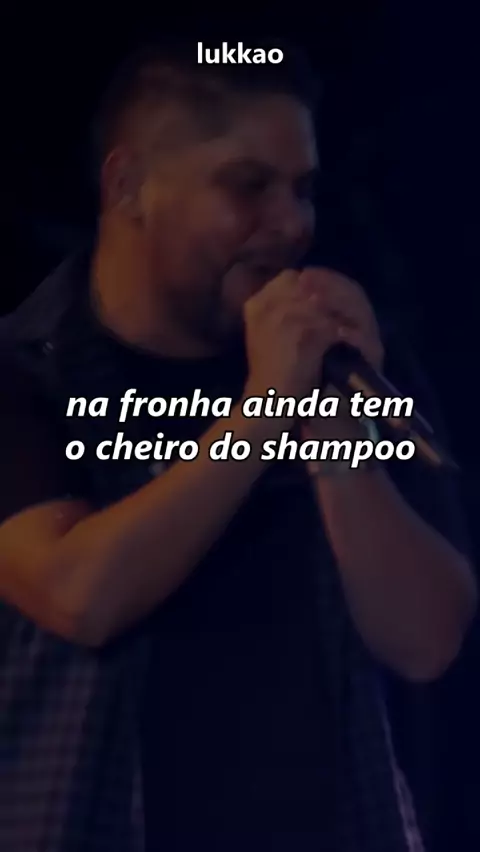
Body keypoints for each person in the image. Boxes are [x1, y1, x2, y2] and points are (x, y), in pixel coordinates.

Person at [0, 37, 476, 852]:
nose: (291, 225)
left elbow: (428, 641)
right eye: (248, 185)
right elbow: (80, 594)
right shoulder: (25, 371)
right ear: (128, 186)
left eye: (303, 189)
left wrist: (338, 444)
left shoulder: (344, 361)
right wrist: (263, 412)